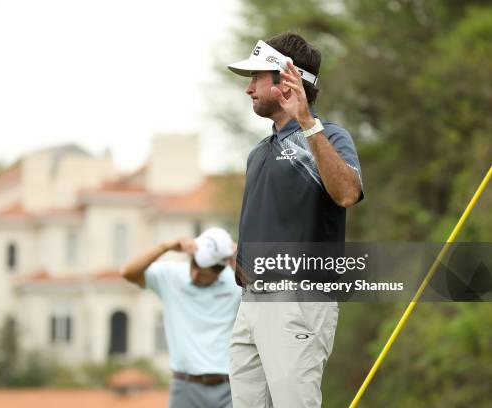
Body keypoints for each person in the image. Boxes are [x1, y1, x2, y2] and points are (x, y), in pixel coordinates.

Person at [226, 32, 364, 407]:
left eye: (256, 77)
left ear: (286, 79)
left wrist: (307, 123)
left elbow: (348, 193)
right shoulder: (258, 153)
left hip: (299, 300)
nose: (248, 89)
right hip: (251, 305)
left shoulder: (330, 136)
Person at [120, 227, 242, 408]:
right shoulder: (171, 275)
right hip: (185, 385)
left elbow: (266, 295)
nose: (194, 275)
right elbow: (128, 273)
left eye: (202, 275)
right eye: (193, 266)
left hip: (230, 386)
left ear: (219, 270)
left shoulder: (236, 283)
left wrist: (241, 258)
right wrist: (165, 246)